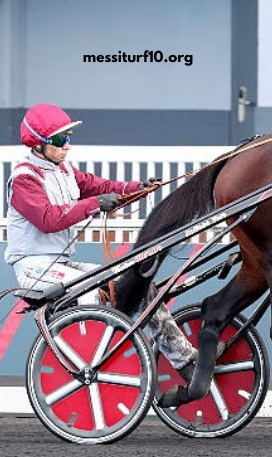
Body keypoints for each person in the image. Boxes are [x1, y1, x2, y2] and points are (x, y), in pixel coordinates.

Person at [5, 103, 196, 379]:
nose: (67, 145)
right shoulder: (24, 179)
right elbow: (48, 219)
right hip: (35, 269)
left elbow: (102, 187)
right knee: (100, 295)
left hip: (61, 265)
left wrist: (136, 189)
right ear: (38, 145)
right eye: (60, 140)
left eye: (68, 138)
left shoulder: (64, 171)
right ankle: (104, 362)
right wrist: (95, 204)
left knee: (137, 284)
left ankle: (186, 360)